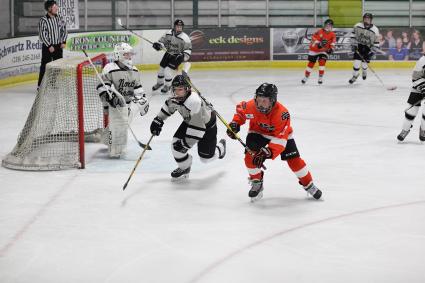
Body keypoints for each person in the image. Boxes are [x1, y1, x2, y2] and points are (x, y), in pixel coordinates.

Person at [226, 83, 322, 201]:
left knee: (295, 161)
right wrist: (235, 124)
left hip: (280, 136)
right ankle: (257, 181)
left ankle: (308, 184)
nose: (260, 104)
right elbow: (241, 112)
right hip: (257, 133)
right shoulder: (251, 106)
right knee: (250, 158)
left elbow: (281, 139)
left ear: (273, 101)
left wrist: (268, 152)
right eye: (258, 100)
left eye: (264, 101)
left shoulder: (282, 114)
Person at [149, 75, 226, 179]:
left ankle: (220, 149)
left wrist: (185, 144)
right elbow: (169, 107)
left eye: (180, 89)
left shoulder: (194, 102)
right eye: (175, 89)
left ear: (187, 89)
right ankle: (184, 167)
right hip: (190, 121)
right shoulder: (175, 97)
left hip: (206, 126)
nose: (176, 92)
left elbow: (199, 128)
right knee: (176, 146)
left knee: (205, 159)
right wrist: (158, 120)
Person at [97, 42, 149, 157]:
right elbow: (102, 87)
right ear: (118, 55)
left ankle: (107, 139)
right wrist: (109, 97)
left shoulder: (134, 70)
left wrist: (142, 100)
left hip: (128, 104)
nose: (129, 57)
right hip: (114, 105)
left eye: (130, 54)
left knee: (122, 127)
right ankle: (114, 150)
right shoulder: (109, 68)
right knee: (119, 127)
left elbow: (138, 89)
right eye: (126, 54)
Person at [151, 19, 192, 95]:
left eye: (181, 27)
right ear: (174, 26)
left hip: (177, 57)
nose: (179, 28)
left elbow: (188, 50)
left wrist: (183, 56)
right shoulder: (168, 33)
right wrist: (158, 45)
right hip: (168, 54)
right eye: (177, 26)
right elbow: (162, 41)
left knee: (167, 70)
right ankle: (160, 83)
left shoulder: (185, 38)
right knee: (161, 69)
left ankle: (168, 85)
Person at [37, 0, 67, 89]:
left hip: (58, 46)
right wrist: (49, 45)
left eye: (56, 6)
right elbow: (42, 34)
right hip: (48, 47)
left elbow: (64, 30)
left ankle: (52, 83)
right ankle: (40, 85)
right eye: (55, 7)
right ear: (49, 8)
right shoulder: (43, 20)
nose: (57, 8)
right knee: (45, 66)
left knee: (58, 66)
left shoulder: (59, 18)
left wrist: (64, 41)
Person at [396, 54, 425, 142]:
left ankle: (423, 129)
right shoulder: (423, 60)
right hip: (419, 85)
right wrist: (423, 87)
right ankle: (405, 129)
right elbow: (415, 77)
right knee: (411, 112)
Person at [301, 19, 336, 85]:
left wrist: (331, 49)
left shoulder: (333, 34)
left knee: (322, 62)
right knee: (311, 64)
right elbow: (313, 40)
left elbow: (333, 43)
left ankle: (320, 77)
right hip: (314, 50)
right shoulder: (319, 32)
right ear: (324, 25)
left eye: (329, 25)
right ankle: (306, 77)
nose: (328, 27)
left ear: (332, 26)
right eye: (326, 25)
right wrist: (319, 44)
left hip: (323, 51)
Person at [349, 13, 380, 84]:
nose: (366, 20)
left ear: (371, 20)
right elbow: (353, 36)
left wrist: (373, 51)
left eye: (368, 19)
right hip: (359, 46)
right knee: (356, 63)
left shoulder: (375, 29)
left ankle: (364, 71)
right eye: (365, 19)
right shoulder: (357, 26)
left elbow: (376, 42)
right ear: (363, 19)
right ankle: (354, 76)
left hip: (368, 48)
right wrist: (353, 45)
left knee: (364, 64)